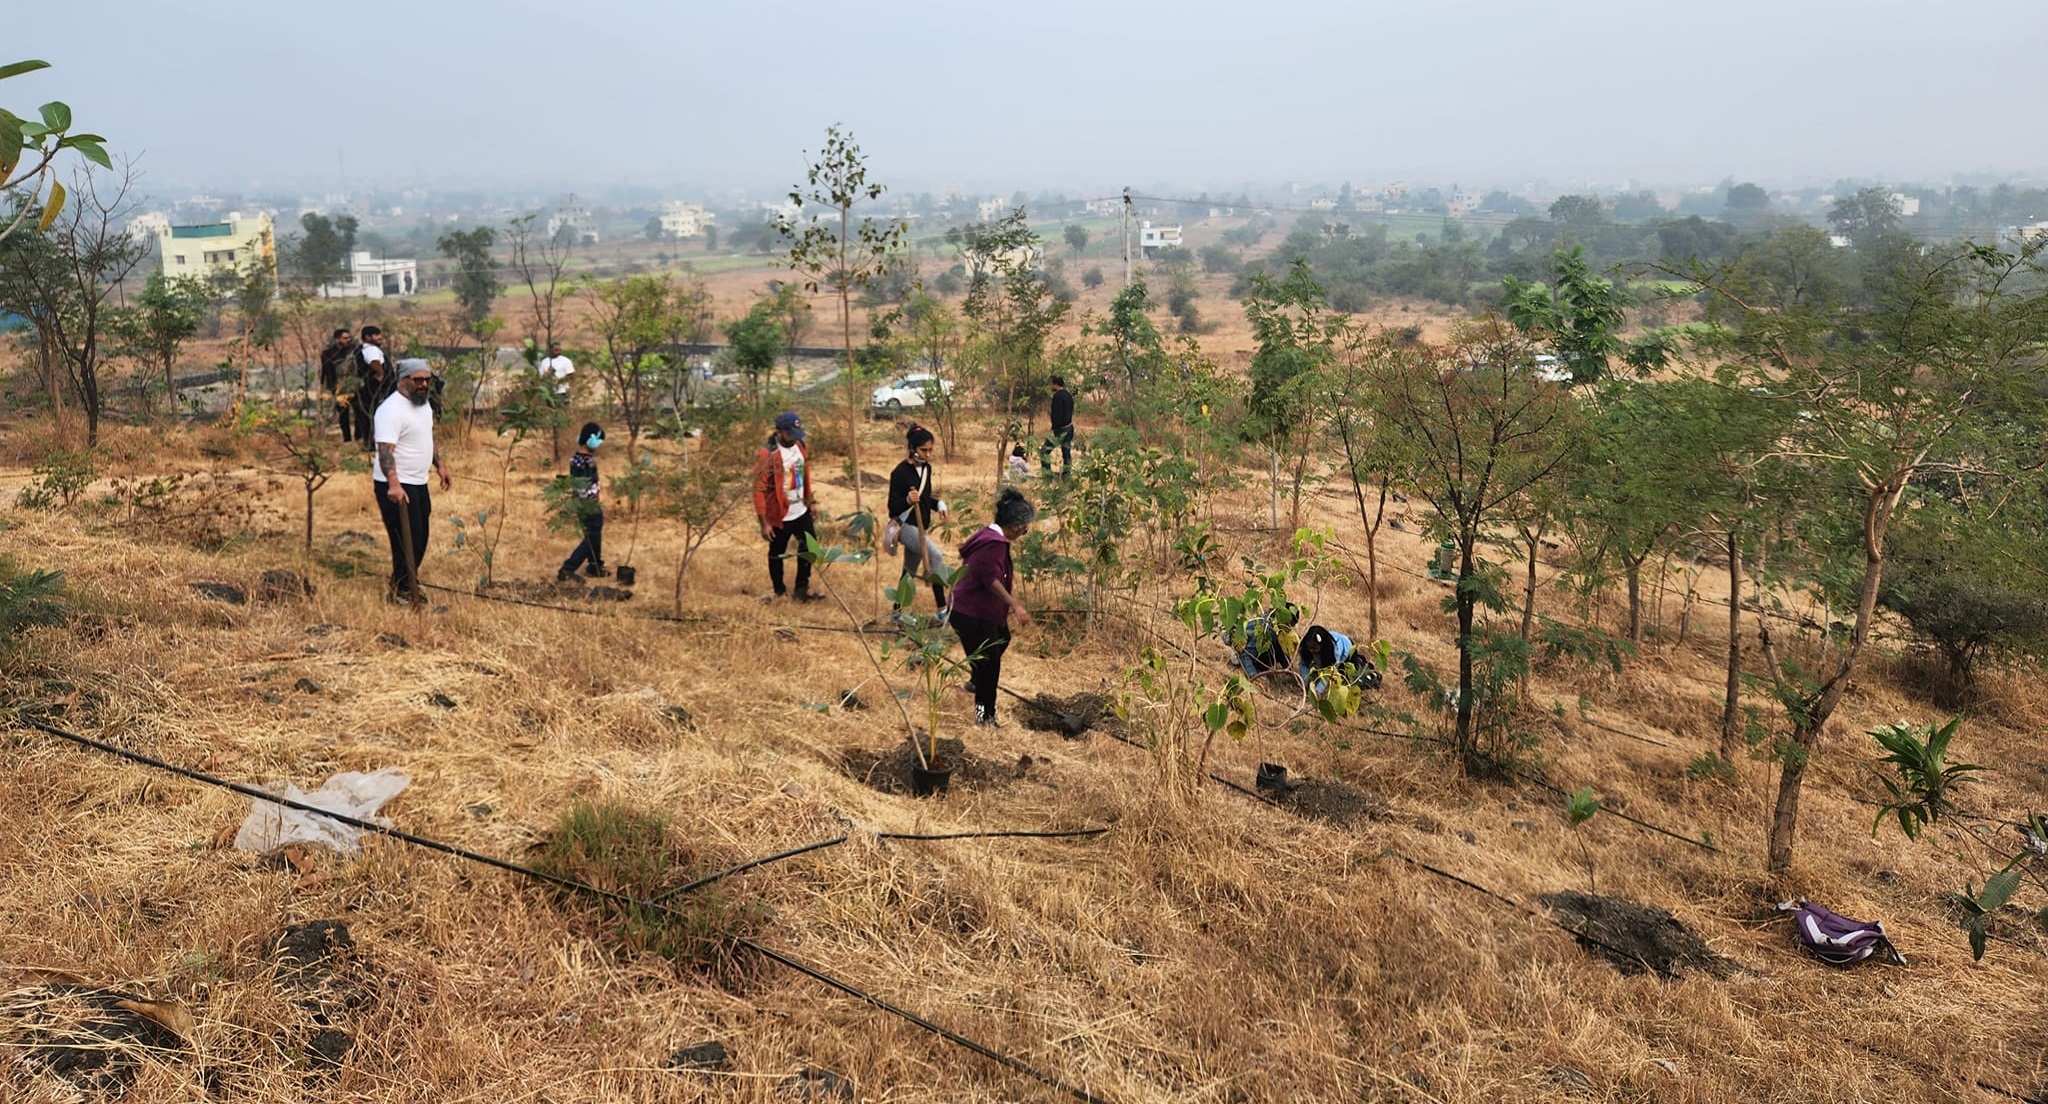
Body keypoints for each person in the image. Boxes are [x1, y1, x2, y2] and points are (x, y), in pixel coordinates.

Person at [949, 488, 1035, 727]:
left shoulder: (989, 535)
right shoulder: (994, 543)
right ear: (1016, 526)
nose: (1025, 532)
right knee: (990, 668)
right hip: (972, 613)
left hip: (968, 610)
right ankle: (984, 717)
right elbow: (990, 579)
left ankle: (975, 680)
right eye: (1025, 527)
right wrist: (1015, 605)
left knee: (1001, 638)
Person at [372, 360, 451, 603]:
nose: (424, 384)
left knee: (420, 536)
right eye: (418, 380)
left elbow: (426, 437)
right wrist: (394, 483)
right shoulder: (390, 410)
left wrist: (439, 464)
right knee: (405, 538)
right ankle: (402, 589)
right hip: (395, 485)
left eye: (427, 380)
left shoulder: (423, 404)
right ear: (402, 380)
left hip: (418, 481)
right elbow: (385, 451)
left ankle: (406, 582)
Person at [752, 410, 821, 602]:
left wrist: (810, 501)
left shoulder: (800, 446)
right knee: (777, 553)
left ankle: (802, 588)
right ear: (779, 432)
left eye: (796, 433)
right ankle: (779, 592)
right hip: (779, 514)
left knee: (809, 548)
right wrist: (764, 522)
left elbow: (804, 475)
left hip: (801, 509)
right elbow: (758, 489)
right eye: (790, 434)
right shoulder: (767, 453)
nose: (794, 438)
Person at [887, 424, 949, 619]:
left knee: (909, 571)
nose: (928, 454)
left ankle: (897, 612)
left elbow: (925, 498)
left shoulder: (927, 469)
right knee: (936, 557)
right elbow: (892, 507)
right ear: (913, 448)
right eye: (924, 450)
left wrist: (938, 504)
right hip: (905, 526)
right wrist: (906, 500)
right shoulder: (899, 473)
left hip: (922, 526)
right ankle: (942, 609)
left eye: (931, 450)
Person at [556, 422, 608, 582]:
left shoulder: (576, 458)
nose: (599, 445)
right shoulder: (587, 461)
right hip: (588, 504)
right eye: (598, 441)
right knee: (591, 538)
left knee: (594, 533)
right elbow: (583, 486)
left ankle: (595, 566)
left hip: (581, 504)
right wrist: (592, 502)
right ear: (591, 440)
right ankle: (567, 569)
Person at [1296, 624, 1382, 694]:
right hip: (1332, 655)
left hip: (1348, 654)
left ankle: (1373, 676)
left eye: (1314, 648)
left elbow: (1329, 672)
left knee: (1352, 681)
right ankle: (1360, 661)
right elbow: (1304, 664)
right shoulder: (1307, 649)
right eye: (1309, 647)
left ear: (1323, 645)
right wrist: (1304, 683)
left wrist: (1318, 690)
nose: (1311, 650)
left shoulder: (1333, 651)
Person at [1232, 602, 1302, 679]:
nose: (1289, 629)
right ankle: (1252, 667)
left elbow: (1280, 651)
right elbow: (1246, 653)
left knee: (1277, 647)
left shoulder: (1276, 628)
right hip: (1243, 649)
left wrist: (1290, 670)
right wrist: (1254, 677)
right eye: (1289, 625)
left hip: (1255, 649)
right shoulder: (1267, 630)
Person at [351, 326, 392, 450]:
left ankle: (369, 443)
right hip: (375, 390)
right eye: (376, 335)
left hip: (366, 389)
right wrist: (380, 373)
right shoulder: (371, 350)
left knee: (367, 415)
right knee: (375, 415)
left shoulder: (360, 349)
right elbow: (374, 362)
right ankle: (372, 444)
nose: (379, 337)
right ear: (368, 337)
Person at [319, 328, 357, 442]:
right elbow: (325, 371)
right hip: (337, 386)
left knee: (358, 412)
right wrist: (323, 386)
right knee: (343, 413)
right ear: (337, 339)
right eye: (345, 338)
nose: (348, 340)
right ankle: (347, 438)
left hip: (353, 385)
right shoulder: (328, 354)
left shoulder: (353, 351)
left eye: (349, 338)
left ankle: (359, 436)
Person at [1039, 375, 1074, 477]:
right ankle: (1066, 476)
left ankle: (1047, 475)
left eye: (1051, 384)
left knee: (1044, 451)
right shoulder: (1068, 395)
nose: (1050, 386)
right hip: (1070, 427)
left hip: (1061, 430)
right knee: (1066, 453)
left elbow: (1057, 414)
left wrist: (1054, 429)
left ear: (1055, 384)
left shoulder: (1057, 397)